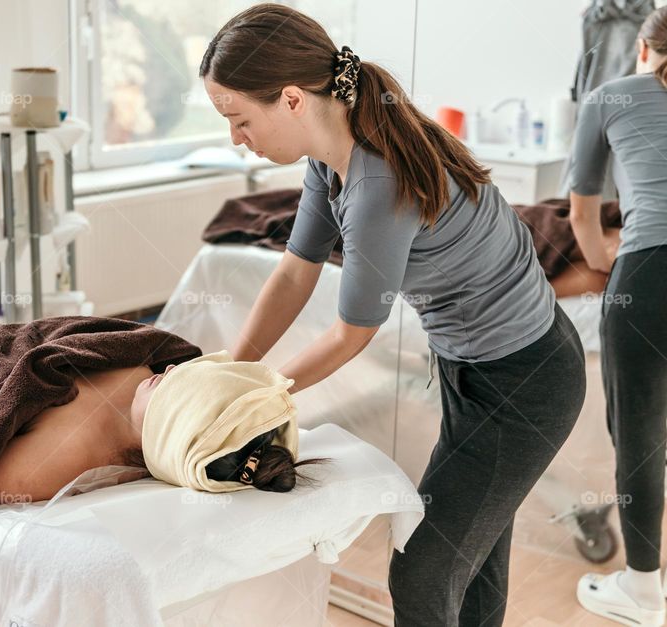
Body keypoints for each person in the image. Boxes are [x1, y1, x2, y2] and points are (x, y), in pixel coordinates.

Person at [200, 4, 586, 625]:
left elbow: (352, 332)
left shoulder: (379, 183)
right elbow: (296, 270)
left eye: (239, 120)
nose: (236, 139)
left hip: (525, 383)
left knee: (423, 564)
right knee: (472, 561)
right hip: (476, 369)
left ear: (292, 99)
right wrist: (230, 369)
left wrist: (256, 398)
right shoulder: (333, 159)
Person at [570, 7, 667, 626]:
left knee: (639, 436)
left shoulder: (608, 96)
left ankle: (645, 589)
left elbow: (582, 214)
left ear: (641, 46)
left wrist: (611, 270)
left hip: (649, 276)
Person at [0, 351, 325, 503]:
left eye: (173, 385)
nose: (171, 366)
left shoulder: (59, 457)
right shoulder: (145, 377)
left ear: (166, 428)